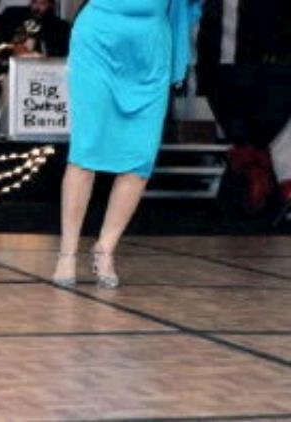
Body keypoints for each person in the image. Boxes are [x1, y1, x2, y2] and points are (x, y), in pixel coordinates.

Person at [52, 0, 201, 288]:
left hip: (150, 51)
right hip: (98, 42)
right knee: (86, 149)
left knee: (140, 156)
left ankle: (106, 248)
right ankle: (67, 253)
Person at [197, 0, 291, 214]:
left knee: (261, 130)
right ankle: (254, 184)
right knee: (248, 132)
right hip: (230, 66)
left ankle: (259, 184)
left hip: (262, 64)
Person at [0, 0, 70, 60]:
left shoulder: (61, 27)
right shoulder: (14, 17)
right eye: (34, 2)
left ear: (50, 5)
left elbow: (62, 55)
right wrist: (16, 48)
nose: (37, 7)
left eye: (42, 3)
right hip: (15, 64)